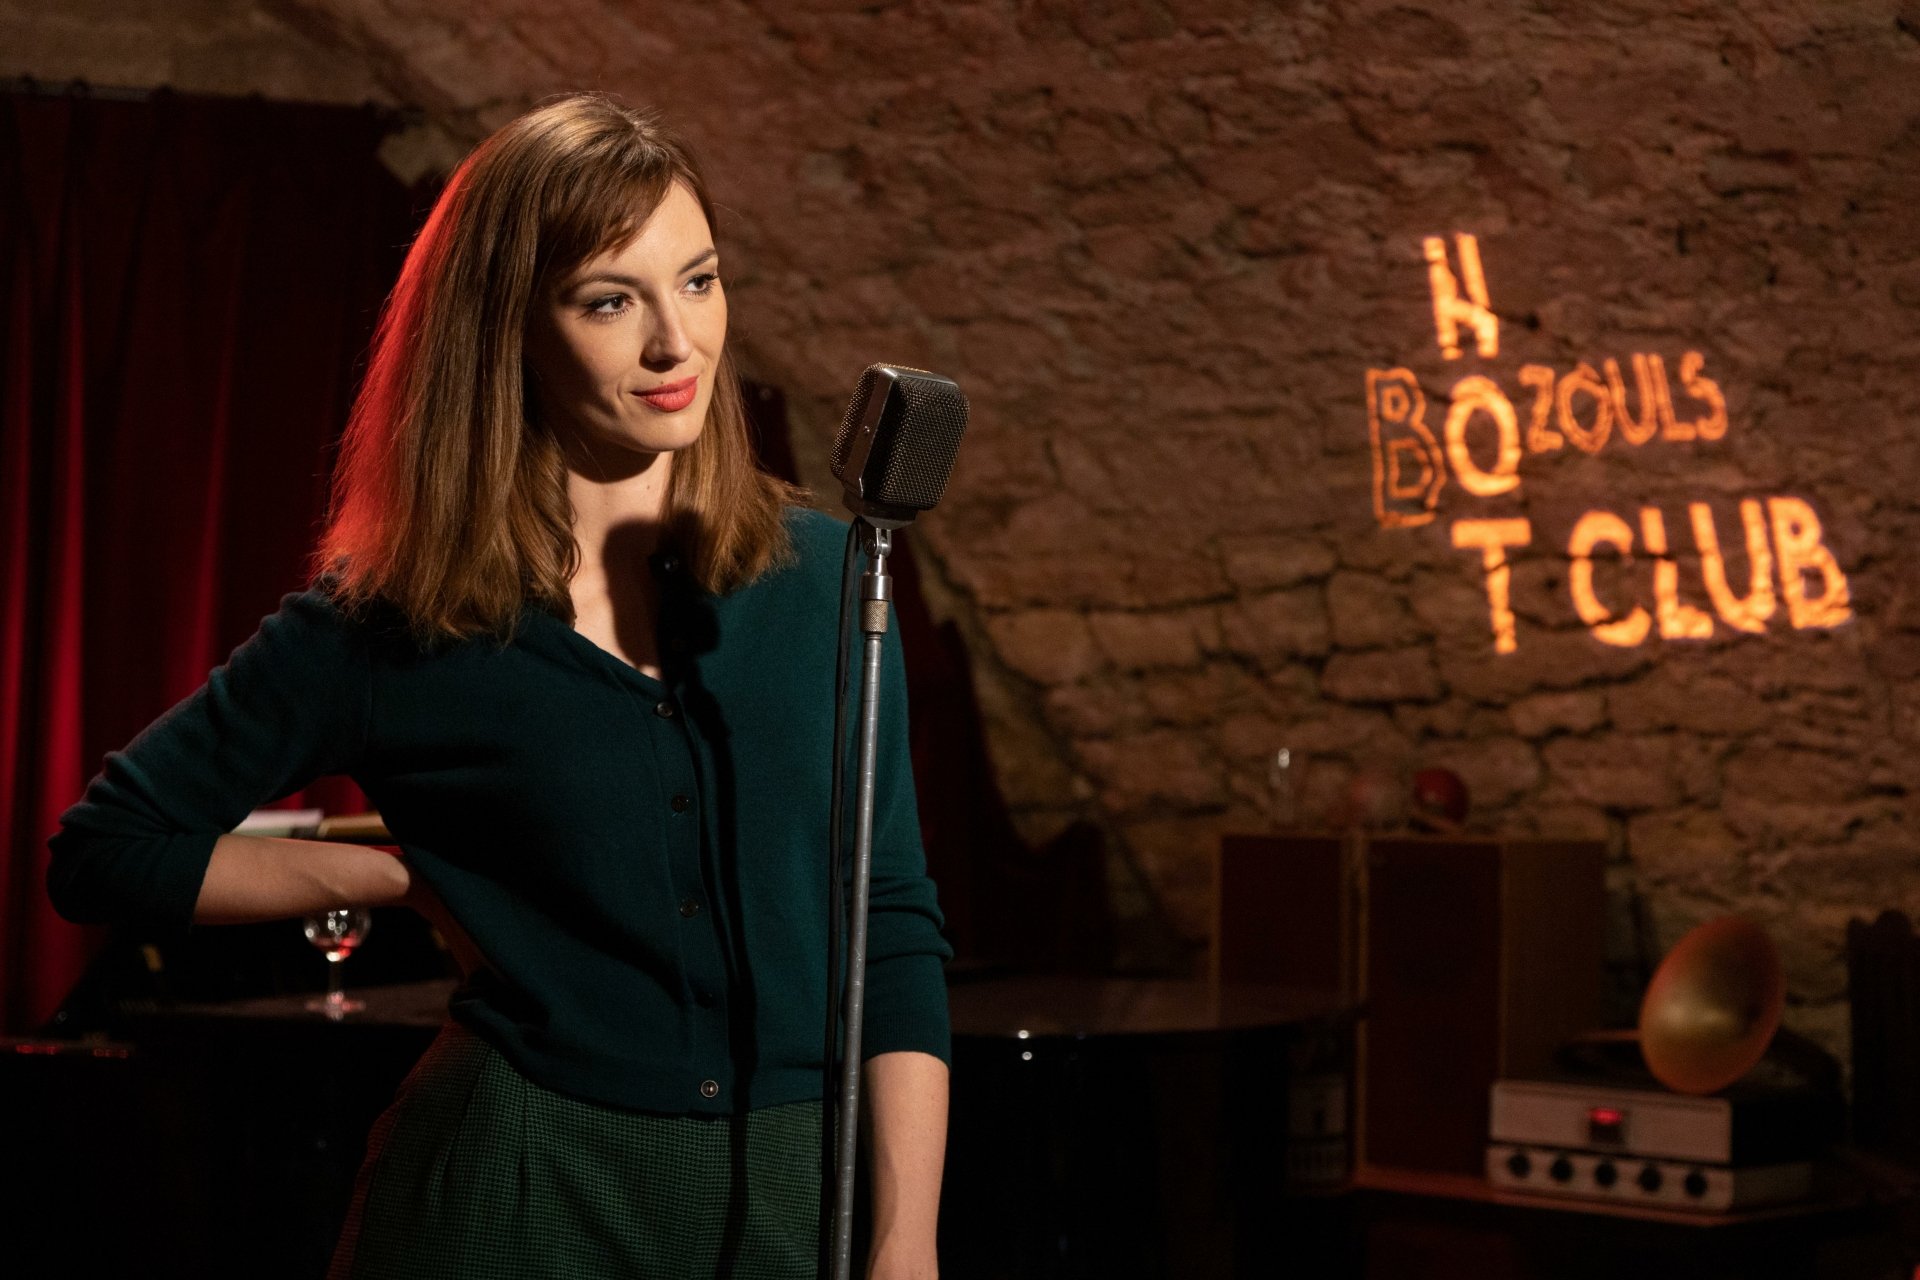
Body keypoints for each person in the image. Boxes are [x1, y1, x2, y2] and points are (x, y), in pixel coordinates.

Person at [45, 92, 951, 1280]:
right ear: (507, 328)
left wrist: (905, 1239)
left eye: (699, 279)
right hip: (513, 1190)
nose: (676, 343)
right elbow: (105, 846)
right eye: (609, 300)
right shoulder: (393, 619)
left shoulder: (833, 577)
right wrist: (400, 877)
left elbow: (888, 921)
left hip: (790, 1188)